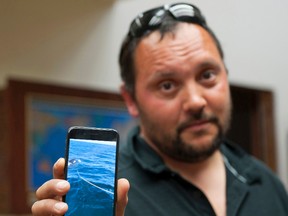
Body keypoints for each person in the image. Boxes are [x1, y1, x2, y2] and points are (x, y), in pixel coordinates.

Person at [31, 2, 288, 216]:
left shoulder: (266, 184)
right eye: (167, 85)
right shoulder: (108, 192)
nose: (196, 101)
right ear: (131, 100)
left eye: (207, 75)